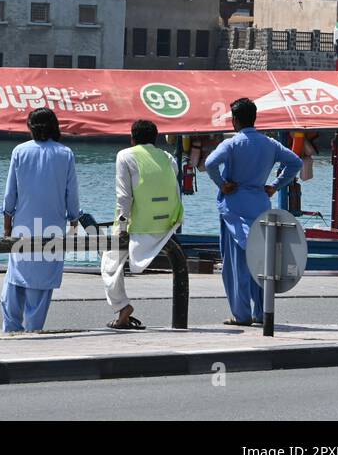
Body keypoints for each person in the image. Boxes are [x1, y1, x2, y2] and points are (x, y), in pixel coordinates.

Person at [204, 98, 302, 326]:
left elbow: (210, 163)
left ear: (235, 120)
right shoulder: (270, 144)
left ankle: (242, 315)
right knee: (261, 262)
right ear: (254, 118)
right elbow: (295, 162)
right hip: (260, 204)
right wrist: (275, 185)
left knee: (235, 264)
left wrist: (222, 184)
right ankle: (261, 312)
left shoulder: (232, 143)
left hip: (235, 206)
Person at [0, 107, 81, 333]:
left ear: (30, 127)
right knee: (41, 287)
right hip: (52, 229)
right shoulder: (65, 154)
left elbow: (10, 195)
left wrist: (7, 227)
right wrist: (74, 221)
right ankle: (33, 331)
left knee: (15, 279)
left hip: (23, 227)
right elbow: (71, 196)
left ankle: (11, 330)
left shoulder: (20, 151)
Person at [102, 120, 184, 330]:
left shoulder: (125, 155)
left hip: (139, 227)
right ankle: (123, 312)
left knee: (109, 264)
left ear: (132, 138)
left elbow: (123, 196)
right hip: (168, 226)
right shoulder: (167, 157)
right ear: (155, 139)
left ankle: (122, 307)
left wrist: (121, 227)